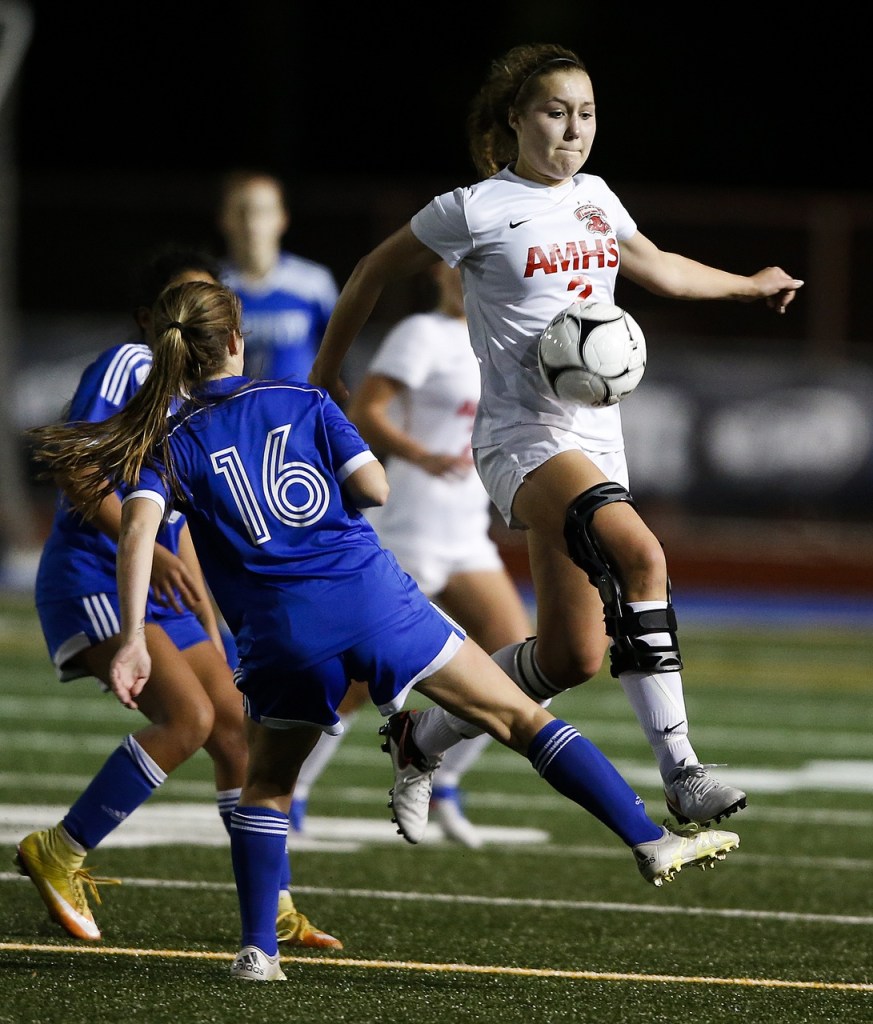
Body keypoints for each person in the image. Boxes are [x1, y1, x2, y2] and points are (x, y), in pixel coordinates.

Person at [28, 280, 740, 981]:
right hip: (371, 599)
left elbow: (139, 535)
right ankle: (646, 839)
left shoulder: (165, 439)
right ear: (237, 341)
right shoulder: (301, 397)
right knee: (518, 718)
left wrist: (129, 640)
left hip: (282, 637)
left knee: (267, 784)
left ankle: (257, 953)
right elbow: (375, 489)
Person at [309, 42, 805, 830]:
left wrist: (749, 285)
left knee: (567, 657)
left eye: (585, 114)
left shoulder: (597, 197)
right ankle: (681, 773)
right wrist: (324, 374)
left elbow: (662, 268)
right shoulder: (470, 208)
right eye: (554, 112)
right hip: (519, 439)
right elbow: (371, 269)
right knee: (643, 556)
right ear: (514, 119)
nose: (572, 130)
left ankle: (418, 736)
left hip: (595, 440)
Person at [16, 247, 340, 951]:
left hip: (156, 581)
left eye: (209, 301)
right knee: (189, 718)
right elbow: (77, 471)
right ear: (150, 321)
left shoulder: (198, 405)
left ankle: (273, 903)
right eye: (180, 303)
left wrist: (211, 612)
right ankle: (60, 850)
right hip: (96, 576)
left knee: (237, 734)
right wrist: (157, 553)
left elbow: (178, 519)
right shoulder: (130, 366)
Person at [288, 263, 532, 849]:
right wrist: (421, 455)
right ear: (444, 274)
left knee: (523, 668)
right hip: (410, 527)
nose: (469, 277)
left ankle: (438, 777)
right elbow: (365, 410)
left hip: (467, 533)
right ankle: (288, 791)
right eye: (460, 266)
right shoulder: (421, 334)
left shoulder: (505, 336)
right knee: (355, 680)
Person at [217, 169, 339, 381]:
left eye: (262, 211)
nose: (251, 224)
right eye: (242, 211)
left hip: (298, 412)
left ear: (282, 218)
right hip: (231, 412)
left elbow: (339, 352)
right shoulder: (211, 285)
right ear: (224, 218)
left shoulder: (313, 283)